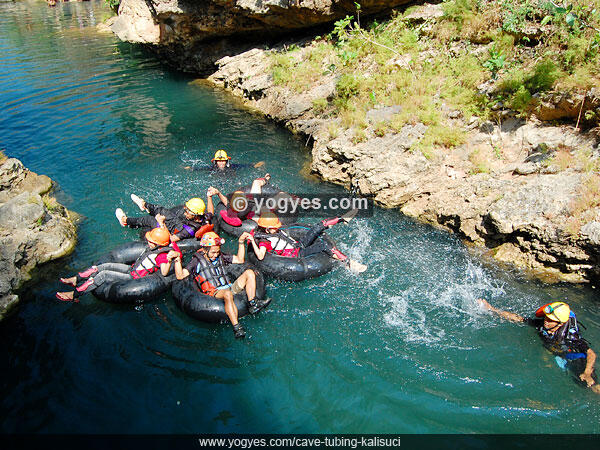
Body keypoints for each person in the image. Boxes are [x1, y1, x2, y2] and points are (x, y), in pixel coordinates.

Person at [478, 298, 599, 393]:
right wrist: (492, 309)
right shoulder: (543, 324)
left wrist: (587, 372)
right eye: (546, 317)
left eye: (551, 319)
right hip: (556, 350)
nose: (546, 320)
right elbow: (518, 319)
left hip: (574, 355)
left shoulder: (570, 337)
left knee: (589, 384)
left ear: (559, 324)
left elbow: (591, 354)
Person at [172, 231, 271, 339]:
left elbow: (239, 260)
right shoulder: (196, 261)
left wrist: (241, 242)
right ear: (205, 250)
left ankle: (253, 303)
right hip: (215, 292)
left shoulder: (221, 256)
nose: (215, 255)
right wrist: (177, 260)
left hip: (228, 287)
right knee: (228, 294)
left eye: (217, 252)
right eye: (213, 253)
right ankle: (237, 327)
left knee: (249, 273)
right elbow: (180, 276)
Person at [56, 217, 181, 301]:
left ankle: (74, 295)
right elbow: (167, 236)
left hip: (134, 277)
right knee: (102, 267)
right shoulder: (165, 242)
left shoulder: (162, 255)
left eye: (151, 241)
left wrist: (170, 259)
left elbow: (164, 272)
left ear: (159, 244)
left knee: (104, 275)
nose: (148, 242)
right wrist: (162, 223)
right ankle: (75, 279)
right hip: (131, 269)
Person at [247, 211, 367, 273]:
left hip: (297, 245)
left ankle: (342, 218)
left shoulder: (268, 230)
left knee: (318, 226)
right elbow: (260, 256)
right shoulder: (264, 241)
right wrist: (252, 241)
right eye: (274, 227)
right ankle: (348, 263)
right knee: (324, 245)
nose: (277, 228)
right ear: (267, 229)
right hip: (297, 254)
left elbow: (255, 218)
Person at [115, 195, 212, 242]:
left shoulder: (190, 230)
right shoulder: (203, 216)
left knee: (150, 220)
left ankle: (125, 221)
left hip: (172, 231)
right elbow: (210, 213)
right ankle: (143, 204)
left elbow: (172, 239)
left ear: (195, 215)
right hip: (179, 224)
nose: (185, 212)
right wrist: (209, 196)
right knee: (163, 210)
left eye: (187, 211)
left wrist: (161, 223)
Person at [206, 174, 272, 226]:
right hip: (255, 204)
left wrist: (218, 193)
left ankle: (266, 179)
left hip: (252, 205)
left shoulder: (234, 209)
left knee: (256, 183)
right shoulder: (246, 209)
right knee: (256, 182)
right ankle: (266, 179)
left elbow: (226, 203)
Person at [184, 149, 264, 172]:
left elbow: (244, 166)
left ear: (226, 161)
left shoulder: (232, 166)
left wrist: (255, 165)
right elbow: (201, 168)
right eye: (219, 161)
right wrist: (191, 168)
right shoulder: (212, 168)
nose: (221, 163)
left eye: (223, 161)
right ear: (215, 162)